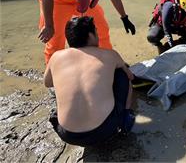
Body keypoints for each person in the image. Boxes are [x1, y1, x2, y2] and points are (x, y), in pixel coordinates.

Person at [44, 16, 135, 146]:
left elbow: (48, 83)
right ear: (90, 36)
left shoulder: (56, 56)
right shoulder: (110, 54)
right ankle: (126, 117)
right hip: (104, 131)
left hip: (67, 134)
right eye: (96, 32)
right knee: (122, 74)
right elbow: (130, 77)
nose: (98, 35)